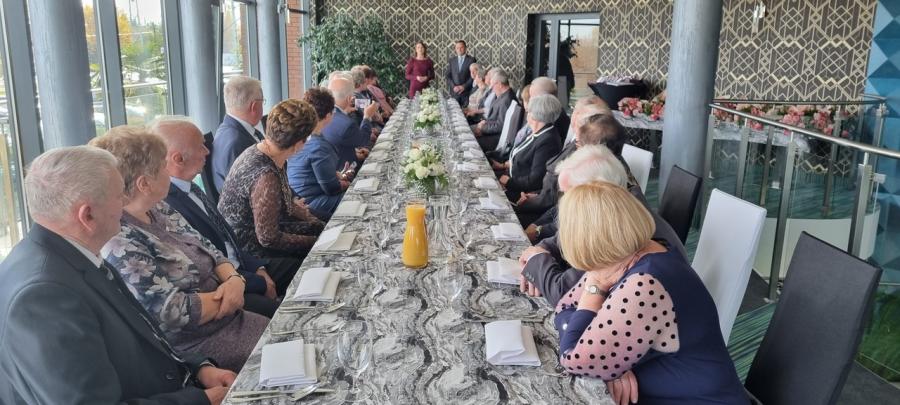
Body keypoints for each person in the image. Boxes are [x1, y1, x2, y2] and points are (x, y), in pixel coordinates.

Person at [0, 146, 236, 405]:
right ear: (87, 215)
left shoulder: (70, 253)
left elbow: (143, 338)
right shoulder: (44, 295)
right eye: (118, 195)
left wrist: (198, 369)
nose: (125, 202)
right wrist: (200, 400)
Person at [550, 182, 748, 404]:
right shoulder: (622, 255)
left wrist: (607, 358)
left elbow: (573, 358)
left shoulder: (645, 283)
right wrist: (612, 362)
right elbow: (563, 308)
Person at [91, 126, 268, 372]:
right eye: (163, 168)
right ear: (144, 184)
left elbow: (210, 248)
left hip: (231, 318)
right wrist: (230, 295)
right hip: (199, 347)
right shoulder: (119, 240)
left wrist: (235, 280)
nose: (169, 173)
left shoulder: (158, 208)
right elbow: (169, 312)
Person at [153, 117, 298, 315]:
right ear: (178, 159)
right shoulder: (168, 206)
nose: (207, 151)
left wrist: (259, 269)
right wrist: (259, 281)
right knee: (287, 313)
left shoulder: (190, 187)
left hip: (244, 265)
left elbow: (228, 240)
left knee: (305, 268)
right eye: (201, 146)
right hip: (226, 285)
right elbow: (208, 267)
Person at [517, 145, 687, 306]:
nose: (563, 204)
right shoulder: (615, 207)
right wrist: (537, 253)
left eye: (570, 194)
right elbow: (557, 241)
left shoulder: (621, 227)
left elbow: (563, 294)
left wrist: (536, 261)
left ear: (598, 190)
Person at [218, 98, 325, 260]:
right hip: (249, 251)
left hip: (265, 231)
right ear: (298, 144)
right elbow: (268, 238)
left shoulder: (265, 151)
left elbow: (286, 203)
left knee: (325, 227)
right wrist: (317, 242)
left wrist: (315, 222)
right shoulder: (266, 176)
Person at [516, 99, 611, 227]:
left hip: (550, 216)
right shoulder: (575, 143)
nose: (573, 117)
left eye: (577, 113)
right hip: (544, 206)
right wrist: (536, 194)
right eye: (575, 111)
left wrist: (538, 228)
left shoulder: (589, 159)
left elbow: (561, 204)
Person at [288, 87, 349, 219]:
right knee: (354, 198)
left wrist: (335, 176)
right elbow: (331, 189)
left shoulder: (300, 135)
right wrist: (345, 184)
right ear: (328, 116)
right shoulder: (318, 145)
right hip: (311, 203)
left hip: (299, 197)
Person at [498, 94, 562, 197]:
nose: (527, 113)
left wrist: (509, 182)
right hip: (512, 181)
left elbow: (535, 180)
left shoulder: (548, 141)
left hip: (521, 193)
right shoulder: (537, 132)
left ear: (534, 115)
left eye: (529, 111)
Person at [211, 76, 266, 194]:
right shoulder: (237, 143)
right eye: (263, 102)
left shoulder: (227, 131)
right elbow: (251, 192)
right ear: (254, 106)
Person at [322, 76, 378, 169]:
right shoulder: (346, 123)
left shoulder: (325, 113)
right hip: (346, 170)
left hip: (333, 164)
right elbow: (363, 140)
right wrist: (367, 116)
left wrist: (355, 151)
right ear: (349, 98)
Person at [473, 68, 515, 151]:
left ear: (499, 84)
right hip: (490, 133)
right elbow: (495, 119)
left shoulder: (506, 100)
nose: (492, 88)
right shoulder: (504, 96)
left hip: (496, 138)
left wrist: (483, 128)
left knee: (470, 141)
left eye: (492, 86)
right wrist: (484, 123)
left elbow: (500, 126)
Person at [530, 76, 571, 142]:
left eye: (532, 96)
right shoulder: (547, 113)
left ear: (544, 98)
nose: (530, 100)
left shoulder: (552, 118)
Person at [446, 39, 477, 107]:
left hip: (466, 93)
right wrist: (453, 87)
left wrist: (464, 86)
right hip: (454, 93)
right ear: (455, 49)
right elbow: (448, 76)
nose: (459, 49)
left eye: (461, 47)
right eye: (457, 48)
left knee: (465, 112)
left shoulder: (471, 60)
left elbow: (473, 76)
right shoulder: (452, 60)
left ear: (465, 48)